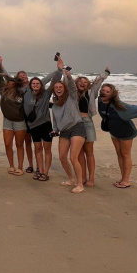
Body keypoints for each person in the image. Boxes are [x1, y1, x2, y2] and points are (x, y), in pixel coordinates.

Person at [49, 59, 87, 193]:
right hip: (64, 131)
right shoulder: (54, 106)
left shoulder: (71, 97)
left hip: (77, 127)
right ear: (54, 90)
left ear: (64, 89)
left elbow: (72, 86)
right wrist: (54, 131)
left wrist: (68, 75)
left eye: (60, 87)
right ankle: (71, 179)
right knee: (62, 157)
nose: (58, 88)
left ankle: (80, 184)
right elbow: (55, 122)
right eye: (56, 87)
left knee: (73, 157)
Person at [23, 63, 63, 182]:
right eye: (33, 83)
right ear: (30, 85)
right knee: (38, 149)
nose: (35, 85)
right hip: (33, 126)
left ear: (41, 85)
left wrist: (59, 70)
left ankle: (45, 172)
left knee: (47, 149)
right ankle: (39, 170)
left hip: (45, 124)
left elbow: (54, 80)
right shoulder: (27, 94)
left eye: (38, 83)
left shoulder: (46, 94)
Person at [74, 66, 111, 187]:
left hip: (87, 122)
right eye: (80, 81)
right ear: (76, 83)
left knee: (89, 151)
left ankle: (91, 179)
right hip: (75, 123)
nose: (82, 83)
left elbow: (98, 82)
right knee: (79, 152)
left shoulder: (91, 93)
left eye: (85, 82)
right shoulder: (72, 94)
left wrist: (105, 73)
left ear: (87, 85)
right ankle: (83, 177)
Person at [0, 57, 27, 176]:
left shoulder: (22, 92)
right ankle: (11, 166)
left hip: (20, 122)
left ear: (16, 84)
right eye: (9, 83)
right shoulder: (4, 90)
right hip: (7, 121)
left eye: (13, 83)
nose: (11, 84)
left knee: (19, 145)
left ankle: (20, 167)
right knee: (8, 144)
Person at [15, 70, 35, 173]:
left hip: (36, 118)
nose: (23, 76)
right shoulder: (18, 89)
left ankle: (40, 166)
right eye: (21, 76)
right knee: (27, 143)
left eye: (24, 75)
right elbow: (8, 79)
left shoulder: (34, 85)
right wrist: (0, 65)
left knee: (37, 144)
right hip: (25, 119)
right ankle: (31, 165)